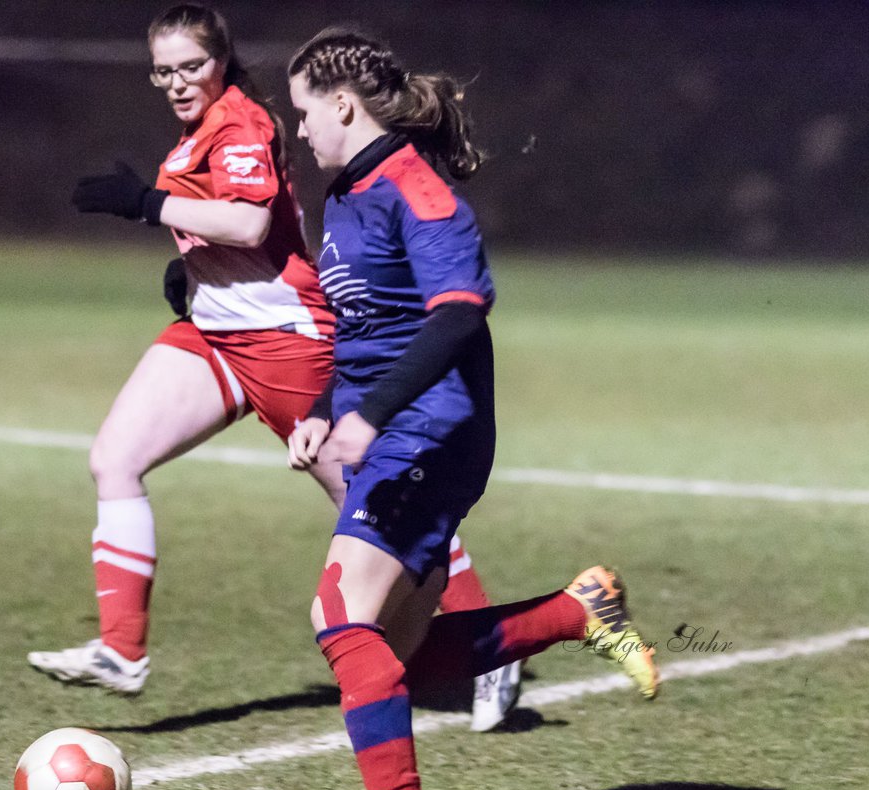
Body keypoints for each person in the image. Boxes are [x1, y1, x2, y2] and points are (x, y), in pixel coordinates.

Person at [26, 3, 523, 732]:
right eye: (162, 70)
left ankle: (490, 642)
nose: (175, 81)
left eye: (190, 65)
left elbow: (251, 222)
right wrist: (192, 272)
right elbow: (225, 229)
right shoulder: (200, 128)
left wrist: (144, 203)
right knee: (115, 458)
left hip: (281, 339)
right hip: (215, 334)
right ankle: (120, 650)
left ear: (220, 61)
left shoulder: (242, 124)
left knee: (378, 500)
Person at [284, 28, 660, 790]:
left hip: (431, 429)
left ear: (343, 105)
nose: (299, 129)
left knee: (341, 614)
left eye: (304, 111)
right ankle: (577, 610)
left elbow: (460, 309)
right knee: (402, 652)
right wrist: (322, 404)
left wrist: (373, 413)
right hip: (397, 426)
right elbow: (366, 332)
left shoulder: (416, 188)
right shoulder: (346, 196)